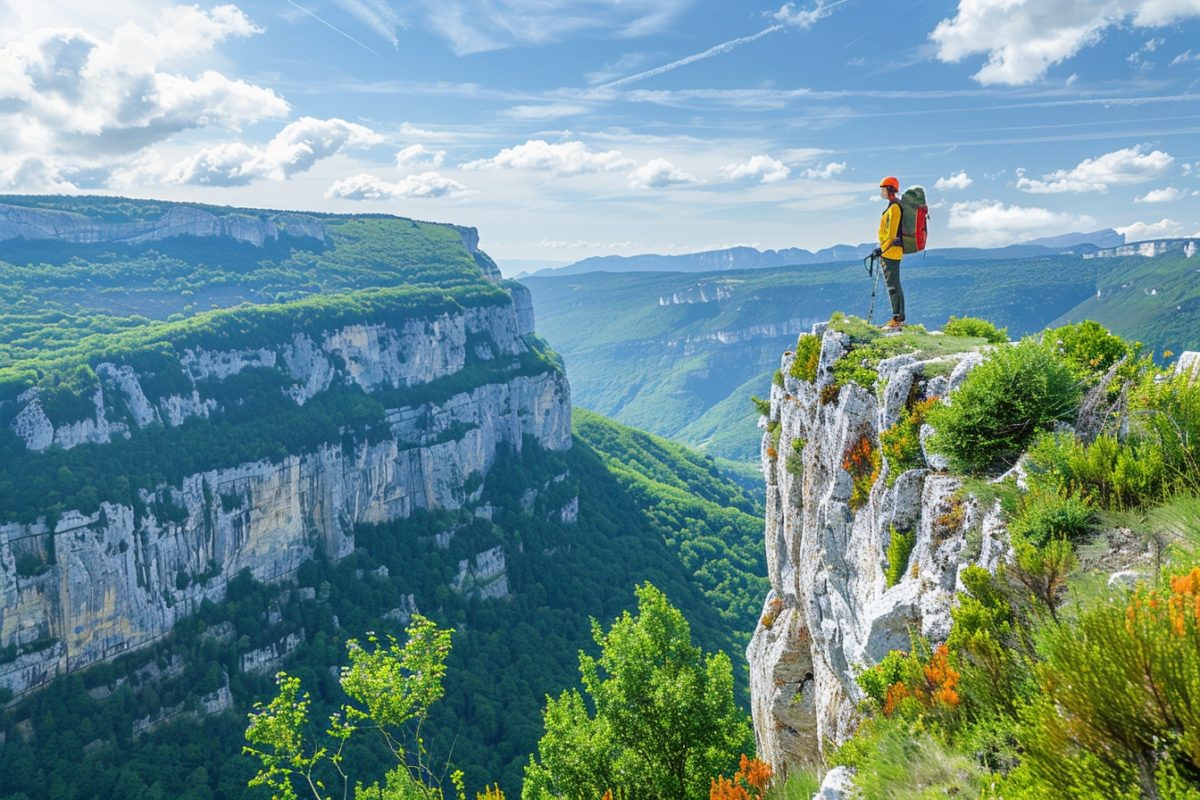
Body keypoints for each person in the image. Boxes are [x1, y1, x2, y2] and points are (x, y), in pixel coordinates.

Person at [871, 176, 905, 330]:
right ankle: (897, 318)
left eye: (883, 188)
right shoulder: (891, 207)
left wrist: (881, 250)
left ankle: (898, 319)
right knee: (893, 285)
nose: (881, 192)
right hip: (888, 251)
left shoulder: (895, 208)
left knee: (893, 286)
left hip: (891, 252)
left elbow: (891, 235)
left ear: (890, 189)